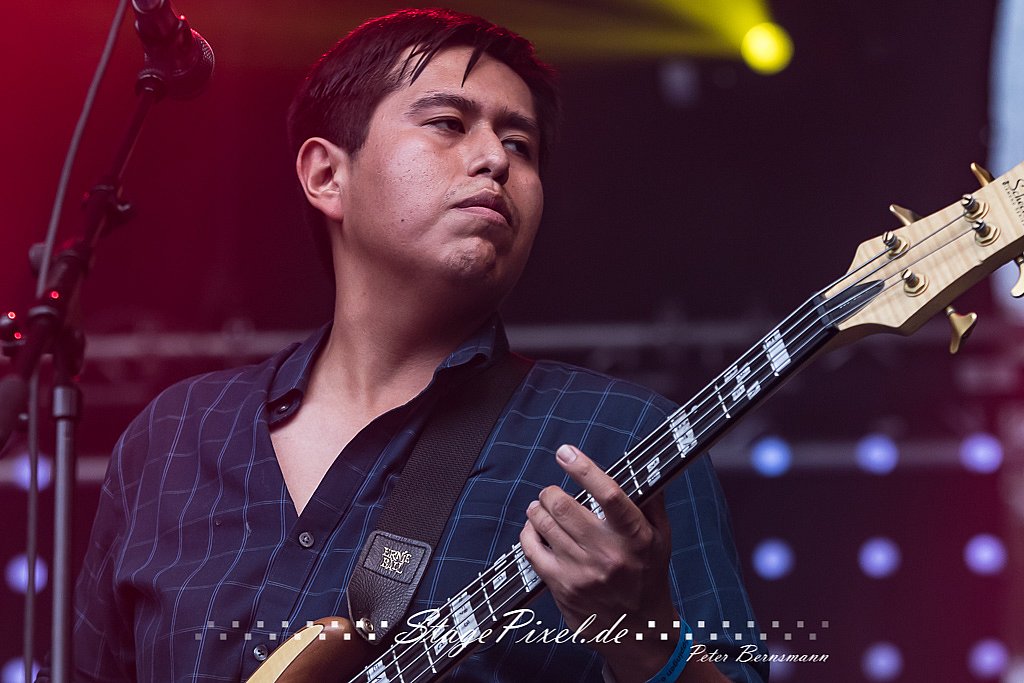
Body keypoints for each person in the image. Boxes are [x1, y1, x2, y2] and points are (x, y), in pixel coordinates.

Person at [58, 8, 769, 682]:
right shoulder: (173, 438)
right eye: (448, 123)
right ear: (326, 175)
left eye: (520, 145)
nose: (494, 159)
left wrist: (643, 638)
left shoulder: (622, 439)